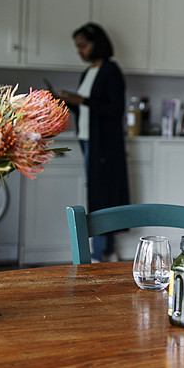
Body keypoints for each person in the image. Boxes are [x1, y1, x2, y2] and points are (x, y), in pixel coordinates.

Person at [58, 23, 130, 262]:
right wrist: (67, 102)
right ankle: (106, 251)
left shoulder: (111, 71)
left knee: (102, 196)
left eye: (83, 46)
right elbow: (87, 108)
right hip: (88, 140)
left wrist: (83, 100)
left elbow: (115, 109)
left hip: (104, 144)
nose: (79, 51)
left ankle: (100, 252)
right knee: (99, 194)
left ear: (96, 44)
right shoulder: (87, 72)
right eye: (77, 47)